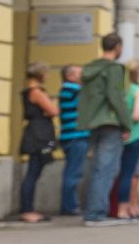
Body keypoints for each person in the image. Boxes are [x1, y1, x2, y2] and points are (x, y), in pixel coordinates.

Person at [78, 33, 131, 226]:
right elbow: (116, 96)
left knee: (96, 167)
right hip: (109, 121)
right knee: (106, 168)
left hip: (92, 122)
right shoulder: (114, 69)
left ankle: (93, 210)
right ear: (117, 47)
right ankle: (96, 213)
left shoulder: (90, 68)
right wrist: (127, 123)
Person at [16, 65, 60, 223]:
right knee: (33, 172)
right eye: (46, 73)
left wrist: (47, 109)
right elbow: (54, 110)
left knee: (35, 171)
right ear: (40, 74)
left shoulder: (28, 91)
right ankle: (27, 210)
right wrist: (50, 106)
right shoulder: (36, 92)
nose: (47, 76)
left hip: (36, 133)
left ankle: (28, 208)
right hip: (39, 136)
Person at [115, 63, 139, 220]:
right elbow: (137, 115)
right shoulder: (138, 90)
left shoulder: (118, 90)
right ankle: (124, 210)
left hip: (116, 135)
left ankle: (128, 207)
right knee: (129, 174)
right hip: (135, 134)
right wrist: (130, 126)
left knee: (117, 173)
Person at [55, 64, 86, 218]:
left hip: (69, 135)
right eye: (80, 73)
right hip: (76, 135)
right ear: (69, 76)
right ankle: (69, 206)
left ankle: (69, 204)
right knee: (73, 173)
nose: (83, 76)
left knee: (72, 171)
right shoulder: (73, 89)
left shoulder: (66, 90)